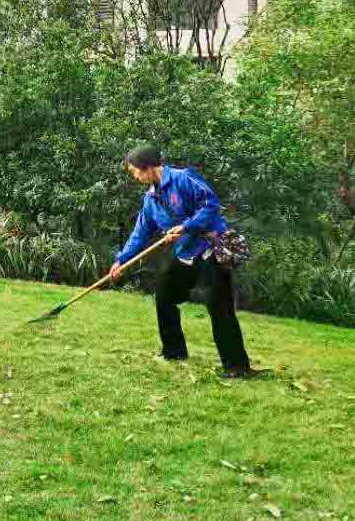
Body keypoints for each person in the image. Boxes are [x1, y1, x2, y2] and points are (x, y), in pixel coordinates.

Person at [109, 146, 256, 379]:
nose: (135, 177)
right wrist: (121, 260)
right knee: (165, 295)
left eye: (135, 171)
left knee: (219, 308)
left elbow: (211, 205)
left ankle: (237, 367)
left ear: (147, 168)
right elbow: (140, 232)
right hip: (186, 254)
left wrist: (187, 226)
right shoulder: (150, 199)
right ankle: (174, 352)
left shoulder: (183, 178)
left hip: (210, 252)